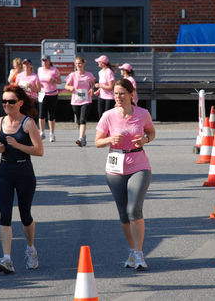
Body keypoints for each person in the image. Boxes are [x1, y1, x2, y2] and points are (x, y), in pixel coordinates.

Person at [95, 79, 156, 270]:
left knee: (134, 210)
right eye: (115, 93)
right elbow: (97, 141)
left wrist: (145, 139)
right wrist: (110, 139)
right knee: (123, 214)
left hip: (139, 165)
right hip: (115, 167)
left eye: (122, 93)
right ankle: (132, 250)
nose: (118, 97)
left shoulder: (142, 114)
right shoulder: (108, 115)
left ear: (131, 94)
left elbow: (152, 132)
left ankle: (139, 253)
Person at [0, 85, 44, 274]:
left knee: (25, 214)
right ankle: (7, 259)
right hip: (4, 170)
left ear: (20, 103)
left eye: (11, 101)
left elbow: (39, 151)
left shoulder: (28, 123)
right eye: (4, 101)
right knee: (4, 214)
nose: (7, 104)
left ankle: (31, 249)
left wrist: (18, 145)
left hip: (24, 171)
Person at [65, 56, 96, 147]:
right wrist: (70, 87)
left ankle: (81, 138)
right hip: (75, 100)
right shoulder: (72, 75)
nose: (78, 65)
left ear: (83, 64)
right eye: (77, 63)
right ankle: (83, 135)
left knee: (83, 119)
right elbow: (66, 85)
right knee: (78, 121)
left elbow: (93, 84)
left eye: (80, 63)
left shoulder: (89, 74)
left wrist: (92, 89)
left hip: (86, 100)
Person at [37, 56, 62, 142]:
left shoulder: (54, 70)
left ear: (49, 61)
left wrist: (53, 80)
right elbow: (38, 80)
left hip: (52, 94)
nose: (44, 62)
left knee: (51, 114)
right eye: (42, 60)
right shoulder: (39, 69)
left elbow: (60, 81)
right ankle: (42, 132)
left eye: (45, 61)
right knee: (41, 114)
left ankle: (52, 133)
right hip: (42, 93)